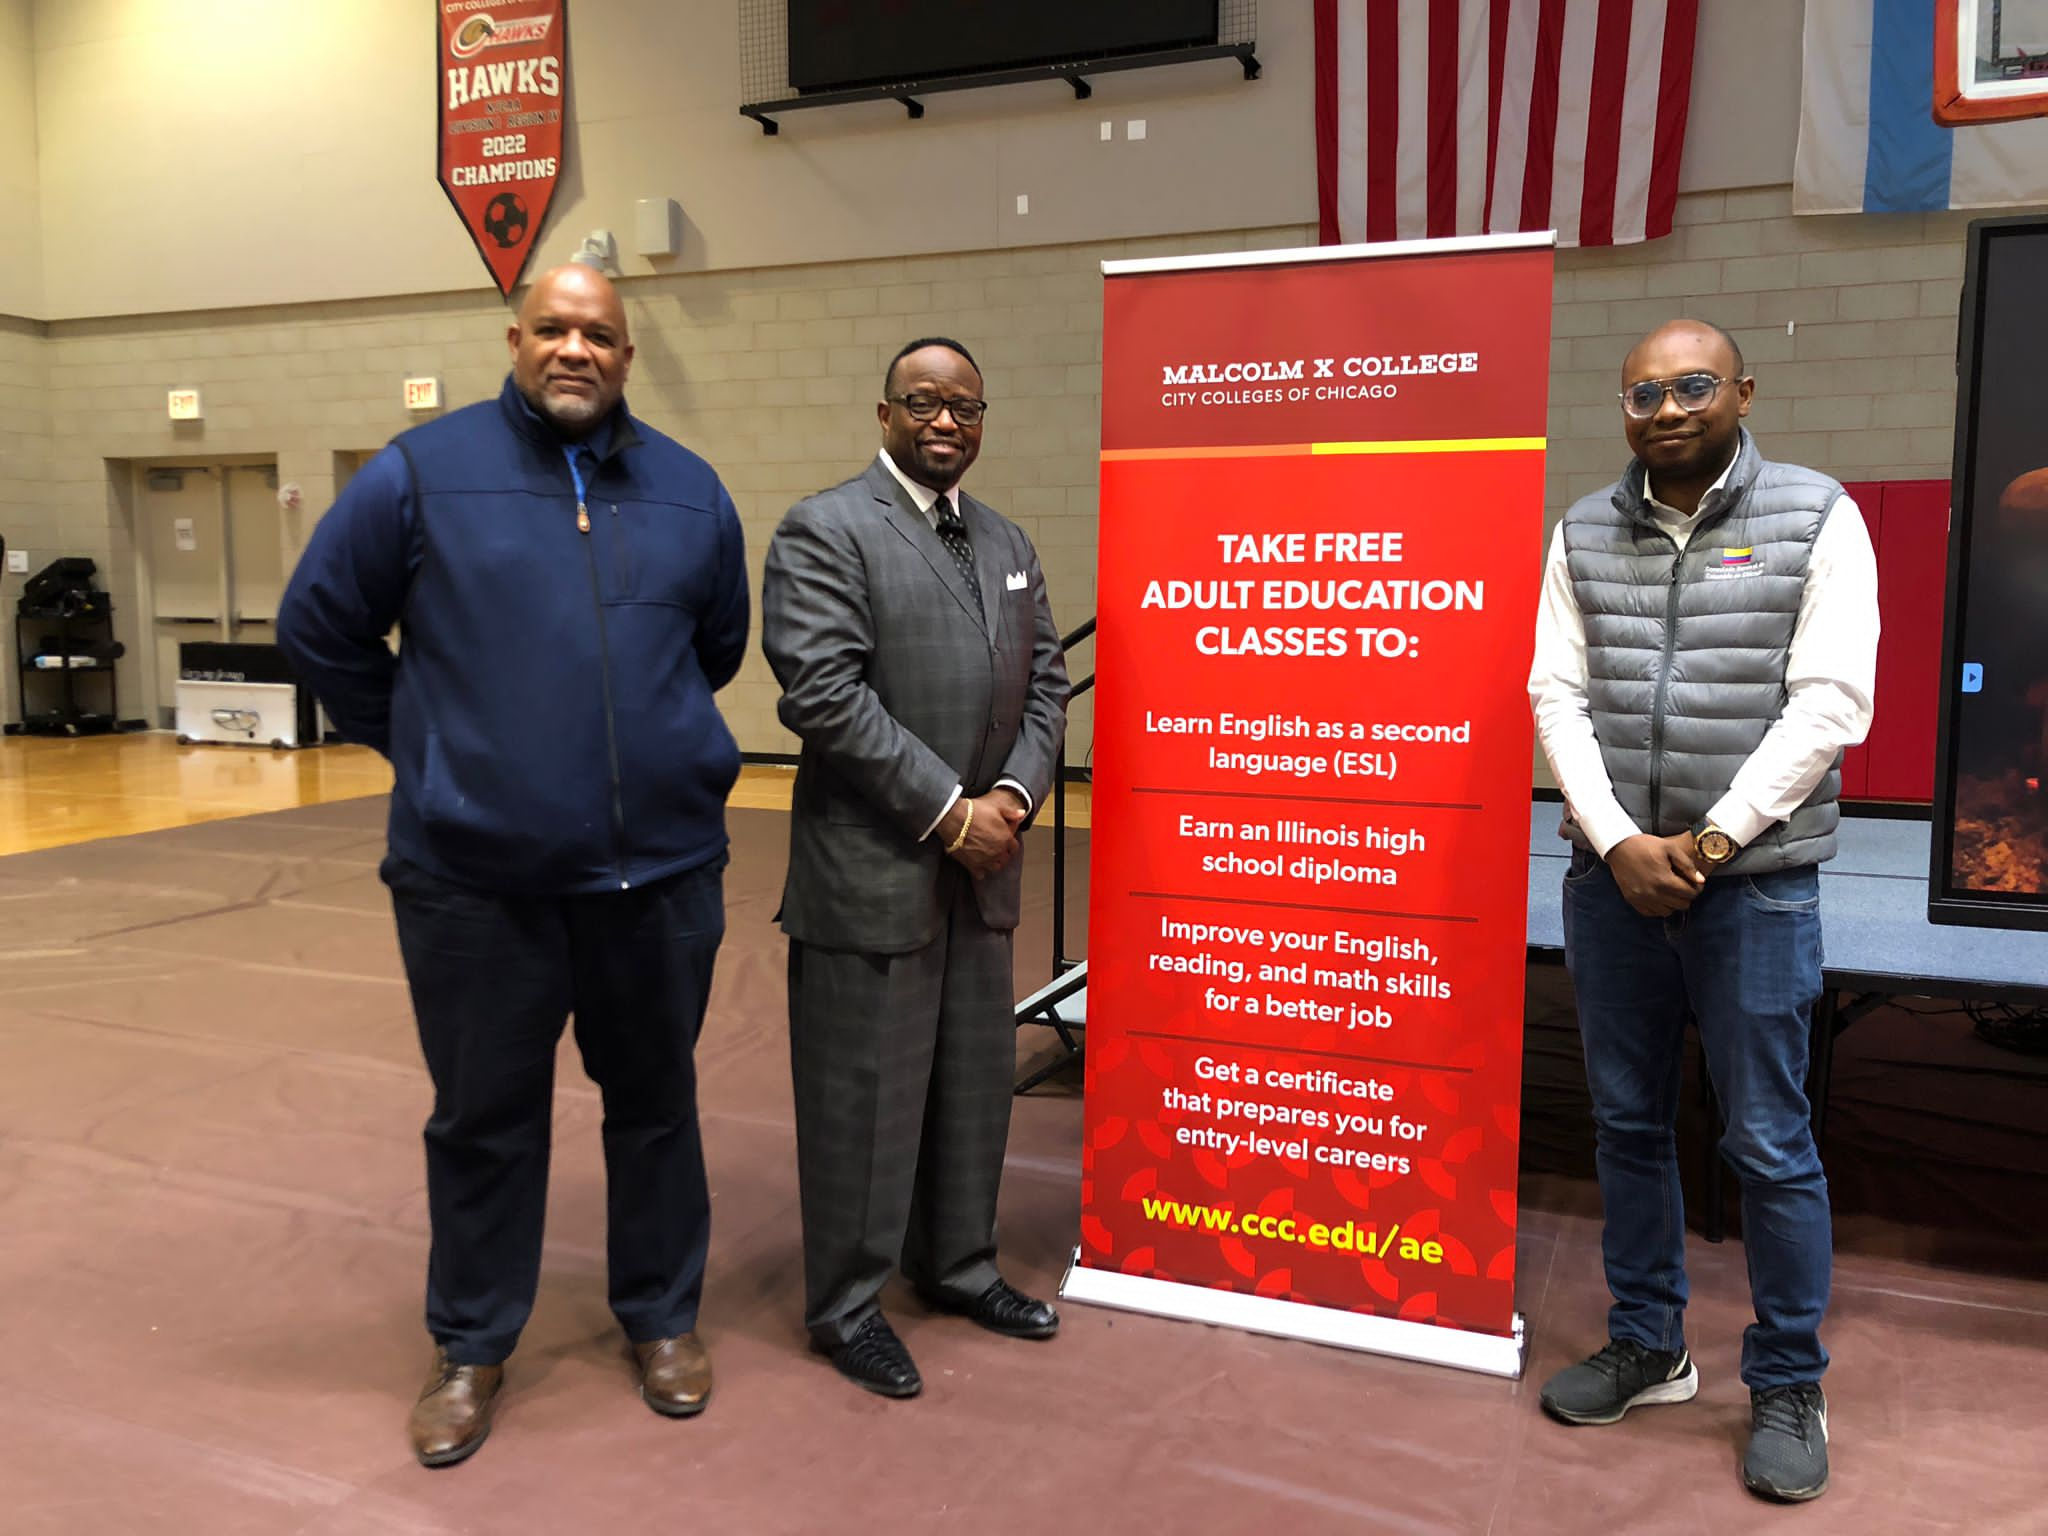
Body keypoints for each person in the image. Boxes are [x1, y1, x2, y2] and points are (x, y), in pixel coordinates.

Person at [277, 264, 749, 1467]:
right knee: (484, 1119)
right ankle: (473, 1343)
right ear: (514, 338)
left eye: (599, 333)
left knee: (656, 1109)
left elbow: (718, 645)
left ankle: (661, 1319)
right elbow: (319, 625)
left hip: (658, 877)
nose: (574, 349)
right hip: (474, 883)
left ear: (628, 356)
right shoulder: (419, 473)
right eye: (553, 328)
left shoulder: (692, 495)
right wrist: (425, 744)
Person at [1527, 319, 1878, 1503]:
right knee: (1624, 1126)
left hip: (1755, 888)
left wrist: (1713, 839)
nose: (1665, 408)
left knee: (1768, 1142)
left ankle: (1785, 1377)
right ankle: (1648, 1343)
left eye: (1689, 386)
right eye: (1641, 393)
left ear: (1739, 391)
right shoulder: (1579, 528)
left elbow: (1828, 702)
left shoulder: (1815, 515)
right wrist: (1621, 842)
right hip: (1609, 884)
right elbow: (1553, 692)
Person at [761, 337, 1070, 1398]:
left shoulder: (1008, 540)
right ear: (883, 412)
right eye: (924, 403)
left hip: (979, 871)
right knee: (864, 1098)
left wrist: (1012, 802)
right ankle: (847, 1306)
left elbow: (1045, 691)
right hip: (876, 871)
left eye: (966, 408)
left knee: (970, 1090)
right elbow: (822, 694)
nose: (946, 422)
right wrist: (949, 813)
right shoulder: (826, 529)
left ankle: (955, 1265)